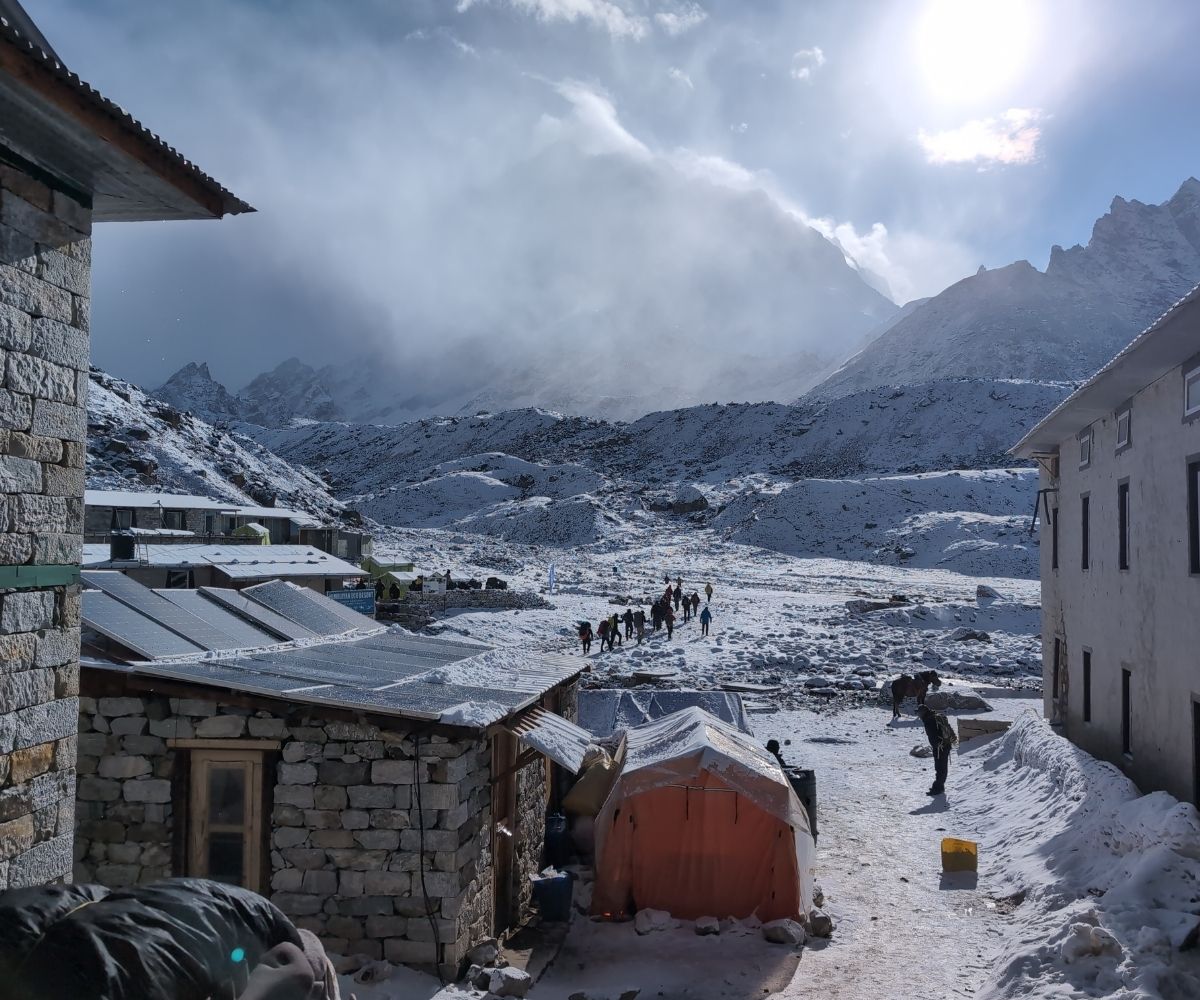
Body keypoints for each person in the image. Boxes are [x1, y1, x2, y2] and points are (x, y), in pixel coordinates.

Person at [916, 703, 957, 795]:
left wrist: (936, 746)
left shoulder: (929, 720)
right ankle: (939, 786)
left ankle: (938, 788)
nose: (919, 716)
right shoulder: (935, 717)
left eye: (919, 713)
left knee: (940, 768)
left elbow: (933, 735)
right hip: (945, 745)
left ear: (923, 713)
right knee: (941, 767)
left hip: (940, 747)